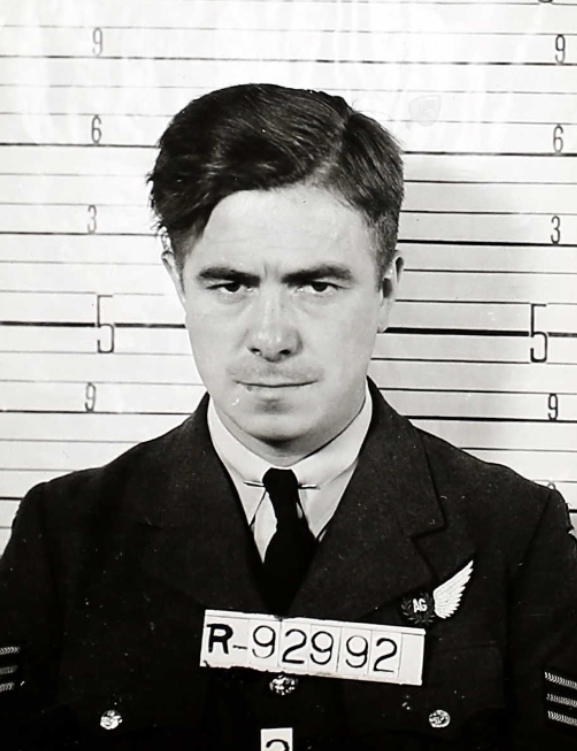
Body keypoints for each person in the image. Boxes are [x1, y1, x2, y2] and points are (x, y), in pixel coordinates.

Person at [1, 83, 577, 751]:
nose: (270, 337)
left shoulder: (515, 534)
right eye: (231, 284)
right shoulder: (65, 534)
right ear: (177, 281)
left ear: (386, 288)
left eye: (316, 284)